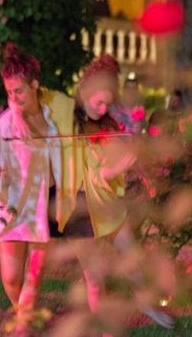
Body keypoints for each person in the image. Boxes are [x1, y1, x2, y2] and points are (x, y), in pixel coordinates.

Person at [53, 54, 174, 329]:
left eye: (108, 104)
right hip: (79, 208)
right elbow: (73, 173)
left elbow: (116, 159)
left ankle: (146, 302)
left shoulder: (107, 125)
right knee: (95, 279)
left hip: (106, 204)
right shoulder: (66, 122)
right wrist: (107, 172)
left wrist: (133, 169)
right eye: (99, 102)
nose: (103, 109)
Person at [0, 44, 73, 328]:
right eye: (9, 92)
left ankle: (23, 325)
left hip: (39, 208)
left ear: (34, 85)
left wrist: (64, 199)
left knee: (32, 277)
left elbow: (59, 170)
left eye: (18, 91)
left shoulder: (50, 125)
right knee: (11, 278)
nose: (13, 97)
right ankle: (27, 315)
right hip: (8, 207)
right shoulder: (5, 124)